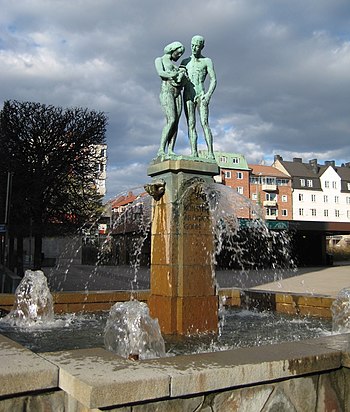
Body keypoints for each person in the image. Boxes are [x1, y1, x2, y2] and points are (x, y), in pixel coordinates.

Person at [181, 35, 217, 159]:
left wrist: (208, 95)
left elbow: (213, 80)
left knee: (205, 123)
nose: (195, 48)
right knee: (191, 124)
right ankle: (194, 153)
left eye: (197, 46)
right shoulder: (185, 62)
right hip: (188, 95)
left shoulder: (207, 61)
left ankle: (210, 153)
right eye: (193, 45)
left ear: (202, 47)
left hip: (201, 94)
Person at [155, 41, 187, 158]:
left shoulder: (176, 66)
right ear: (172, 49)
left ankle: (170, 150)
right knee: (171, 120)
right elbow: (161, 73)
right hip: (166, 91)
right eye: (178, 53)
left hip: (178, 92)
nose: (178, 56)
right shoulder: (160, 60)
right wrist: (174, 74)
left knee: (176, 123)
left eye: (180, 55)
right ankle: (161, 150)